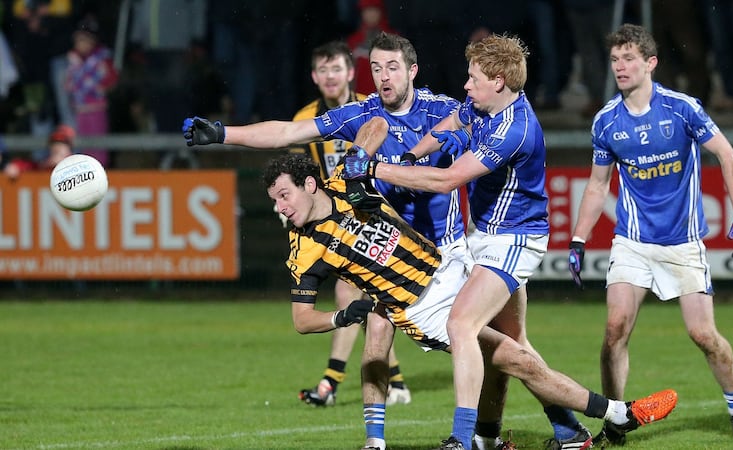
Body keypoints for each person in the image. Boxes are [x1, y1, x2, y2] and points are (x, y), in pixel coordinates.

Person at [183, 31, 593, 450]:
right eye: (376, 68)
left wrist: (386, 166)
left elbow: (464, 159)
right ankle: (376, 441)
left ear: (412, 71)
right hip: (390, 254)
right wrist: (222, 133)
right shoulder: (363, 115)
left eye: (392, 67)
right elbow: (288, 132)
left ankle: (554, 427)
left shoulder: (444, 110)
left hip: (448, 252)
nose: (383, 77)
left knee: (504, 347)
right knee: (378, 331)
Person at [339, 32, 664, 450]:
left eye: (473, 78)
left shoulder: (514, 128)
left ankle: (462, 439)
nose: (466, 85)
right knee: (510, 346)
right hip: (483, 236)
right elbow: (450, 124)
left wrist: (373, 169)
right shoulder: (482, 104)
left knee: (461, 325)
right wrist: (410, 157)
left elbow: (448, 180)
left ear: (498, 81)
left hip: (513, 241)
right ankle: (573, 429)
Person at [271, 137, 677, 450]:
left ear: (311, 184)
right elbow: (301, 320)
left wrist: (360, 157)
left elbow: (375, 125)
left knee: (518, 350)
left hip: (450, 270)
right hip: (422, 309)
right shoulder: (303, 249)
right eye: (274, 202)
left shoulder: (344, 183)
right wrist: (341, 317)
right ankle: (613, 414)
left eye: (284, 196)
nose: (281, 208)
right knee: (516, 359)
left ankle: (538, 433)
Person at [565, 23, 733, 444]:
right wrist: (579, 239)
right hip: (632, 242)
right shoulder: (606, 121)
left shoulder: (682, 108)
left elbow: (727, 155)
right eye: (614, 59)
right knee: (614, 330)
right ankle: (615, 420)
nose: (620, 66)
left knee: (703, 336)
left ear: (650, 63)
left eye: (629, 58)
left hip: (683, 242)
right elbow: (598, 186)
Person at [289, 40, 411, 408]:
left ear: (350, 73)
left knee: (355, 295)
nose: (330, 76)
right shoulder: (306, 119)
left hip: (374, 216)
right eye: (323, 70)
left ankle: (332, 383)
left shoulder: (371, 110)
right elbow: (297, 174)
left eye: (336, 69)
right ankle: (392, 381)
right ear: (314, 76)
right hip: (333, 223)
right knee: (366, 296)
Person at [64, 15, 118, 167]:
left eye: (84, 40)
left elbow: (112, 78)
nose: (81, 44)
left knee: (98, 142)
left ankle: (100, 167)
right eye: (78, 41)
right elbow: (68, 82)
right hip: (80, 109)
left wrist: (103, 87)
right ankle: (85, 169)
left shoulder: (101, 59)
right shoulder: (73, 61)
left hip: (97, 107)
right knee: (82, 142)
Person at [3, 124, 74, 179]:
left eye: (62, 143)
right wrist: (15, 167)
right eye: (54, 143)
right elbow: (28, 165)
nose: (57, 147)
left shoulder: (76, 165)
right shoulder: (44, 165)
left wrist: (63, 165)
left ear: (69, 148)